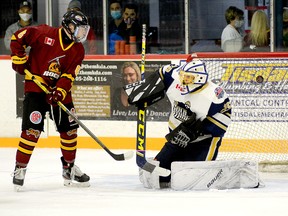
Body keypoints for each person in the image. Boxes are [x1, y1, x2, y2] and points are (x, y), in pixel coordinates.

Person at [10, 10, 91, 189]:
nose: (81, 34)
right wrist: (19, 57)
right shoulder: (44, 33)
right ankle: (20, 168)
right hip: (36, 89)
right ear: (67, 26)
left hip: (58, 92)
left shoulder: (78, 50)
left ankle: (68, 168)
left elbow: (69, 75)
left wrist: (60, 91)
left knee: (69, 131)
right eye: (78, 29)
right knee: (32, 131)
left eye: (84, 30)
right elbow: (17, 37)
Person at [124, 55, 232, 187]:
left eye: (188, 78)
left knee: (193, 182)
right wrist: (145, 89)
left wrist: (197, 130)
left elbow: (222, 124)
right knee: (153, 178)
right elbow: (162, 73)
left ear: (199, 79)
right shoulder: (175, 78)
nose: (182, 81)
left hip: (203, 143)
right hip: (176, 138)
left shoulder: (213, 96)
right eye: (182, 76)